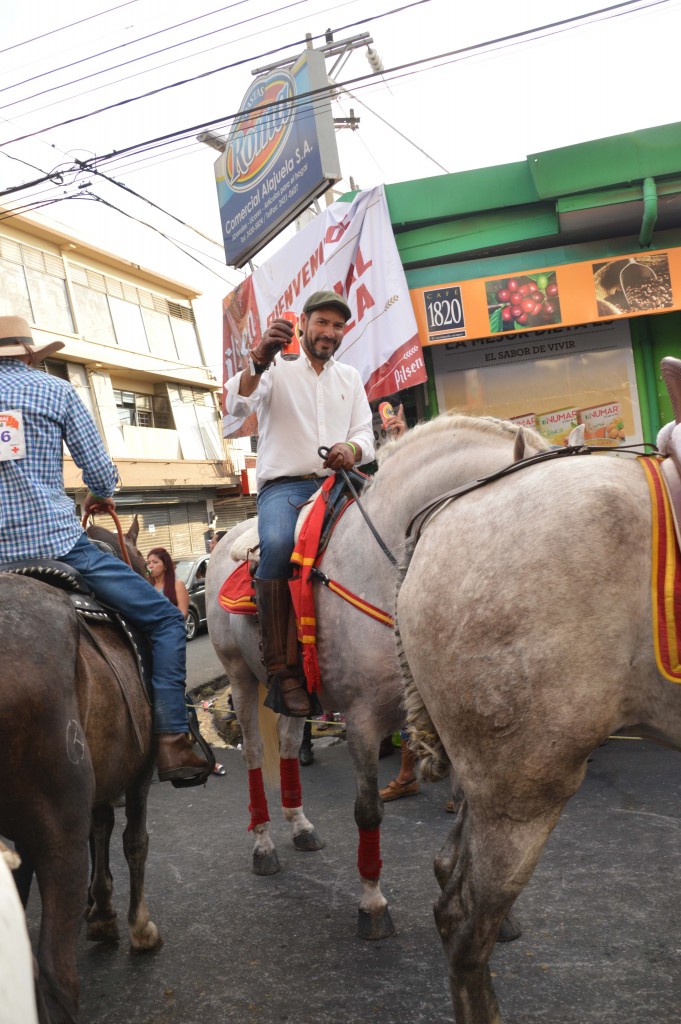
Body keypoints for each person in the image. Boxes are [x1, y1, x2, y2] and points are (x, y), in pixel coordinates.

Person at [0, 315, 209, 785]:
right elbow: (99, 473)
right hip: (56, 546)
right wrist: (100, 490)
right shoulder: (53, 390)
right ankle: (173, 741)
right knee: (165, 621)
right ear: (31, 356)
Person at [225, 290, 375, 717]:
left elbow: (366, 434)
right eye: (322, 323)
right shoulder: (275, 369)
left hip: (342, 481)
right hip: (286, 488)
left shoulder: (349, 377)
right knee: (275, 544)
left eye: (338, 326)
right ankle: (281, 669)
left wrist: (350, 447)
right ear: (304, 323)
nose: (330, 332)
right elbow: (236, 406)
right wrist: (256, 358)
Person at [146, 547, 189, 619]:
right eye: (149, 563)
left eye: (155, 562)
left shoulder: (178, 585)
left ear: (165, 566)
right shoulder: (148, 586)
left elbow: (183, 613)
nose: (150, 566)